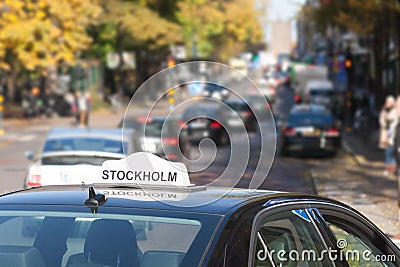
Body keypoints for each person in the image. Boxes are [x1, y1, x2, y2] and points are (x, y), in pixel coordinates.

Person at [379, 95, 398, 175]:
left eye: (389, 102)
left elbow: (395, 120)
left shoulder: (395, 110)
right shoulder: (384, 110)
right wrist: (384, 125)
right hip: (385, 132)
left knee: (392, 149)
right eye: (387, 102)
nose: (387, 104)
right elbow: (381, 118)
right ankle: (388, 166)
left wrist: (391, 126)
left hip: (392, 132)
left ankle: (392, 166)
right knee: (387, 149)